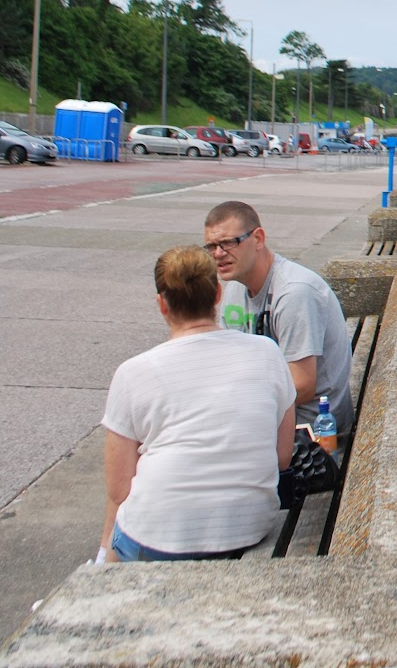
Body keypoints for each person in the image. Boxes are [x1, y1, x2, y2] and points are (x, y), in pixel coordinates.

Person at [100, 246, 295, 562]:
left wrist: (103, 552)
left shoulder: (133, 372)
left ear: (162, 304)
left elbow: (120, 490)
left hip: (157, 539)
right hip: (248, 526)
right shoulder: (267, 352)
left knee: (119, 541)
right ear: (218, 294)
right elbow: (282, 456)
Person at [203, 201, 354, 437]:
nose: (219, 254)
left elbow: (302, 387)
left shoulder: (294, 292)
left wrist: (228, 400)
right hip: (267, 417)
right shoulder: (234, 291)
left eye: (228, 243)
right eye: (211, 246)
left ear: (258, 239)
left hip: (312, 434)